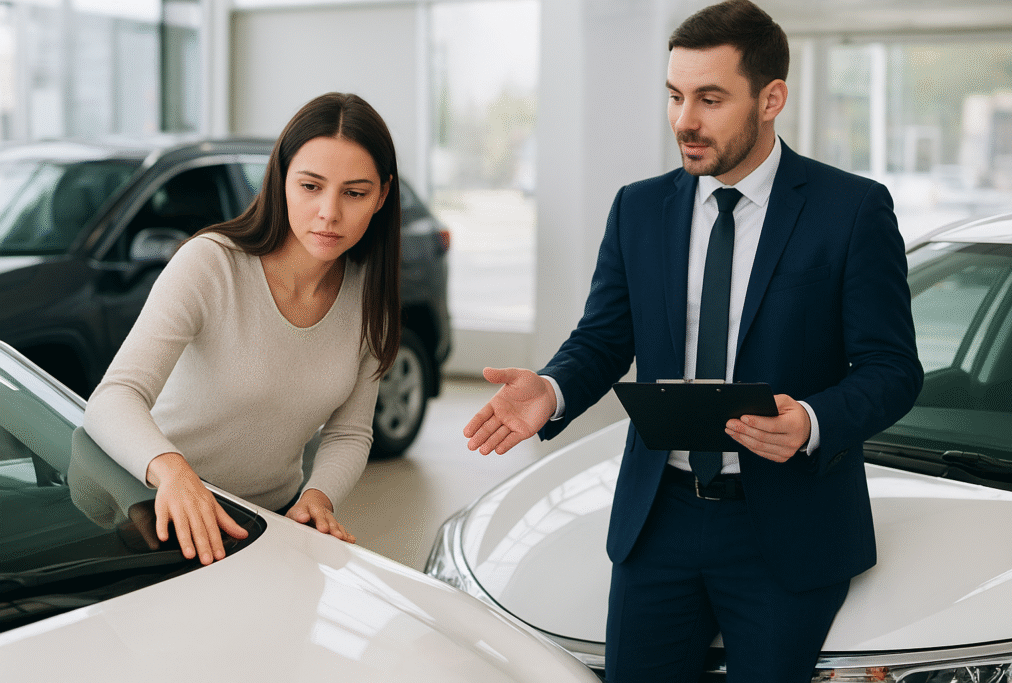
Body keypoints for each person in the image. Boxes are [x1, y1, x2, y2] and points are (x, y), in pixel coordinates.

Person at [464, 2, 923, 681]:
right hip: (661, 520)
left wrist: (813, 420)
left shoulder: (851, 210)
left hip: (788, 526)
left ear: (772, 99)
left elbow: (891, 368)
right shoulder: (639, 208)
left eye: (710, 98)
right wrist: (553, 387)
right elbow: (603, 337)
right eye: (675, 95)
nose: (684, 119)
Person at [84, 92, 401, 567]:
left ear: (382, 194)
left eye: (354, 193)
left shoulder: (370, 296)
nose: (329, 213)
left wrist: (319, 497)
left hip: (263, 521)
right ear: (280, 179)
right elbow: (113, 399)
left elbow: (349, 434)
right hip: (146, 507)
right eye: (311, 186)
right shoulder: (210, 263)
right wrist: (174, 474)